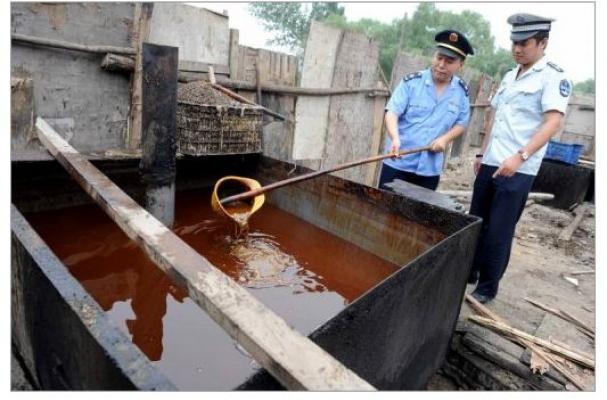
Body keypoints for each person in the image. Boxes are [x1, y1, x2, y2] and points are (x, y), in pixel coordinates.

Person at [468, 14, 572, 303]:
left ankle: (487, 288)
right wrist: (482, 152)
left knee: (499, 230)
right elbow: (495, 117)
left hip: (518, 167)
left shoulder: (553, 76)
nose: (517, 49)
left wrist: (520, 156)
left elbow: (552, 123)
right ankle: (470, 271)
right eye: (514, 42)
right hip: (491, 161)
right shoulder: (509, 75)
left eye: (524, 43)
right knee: (476, 220)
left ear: (542, 42)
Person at [379, 29, 474, 191]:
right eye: (439, 58)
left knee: (420, 215)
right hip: (398, 163)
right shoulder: (411, 83)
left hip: (429, 170)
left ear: (461, 64)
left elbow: (462, 123)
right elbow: (392, 112)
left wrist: (444, 139)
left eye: (449, 61)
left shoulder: (461, 92)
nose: (441, 65)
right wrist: (395, 138)